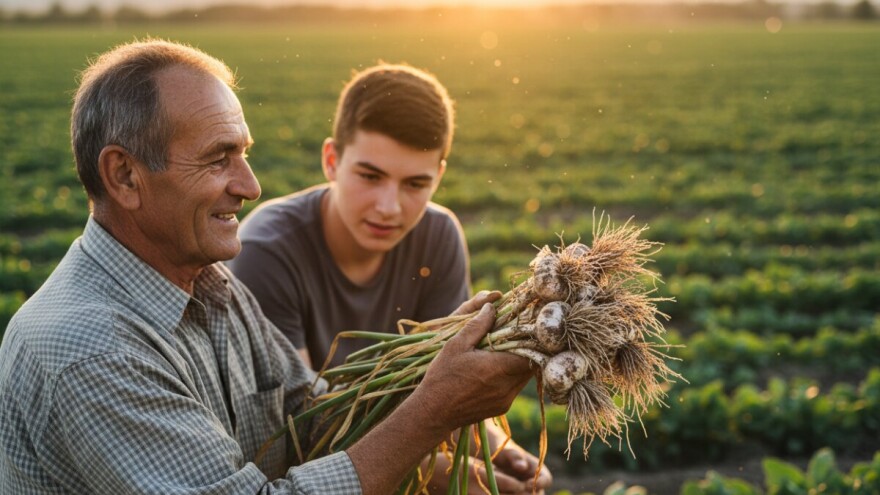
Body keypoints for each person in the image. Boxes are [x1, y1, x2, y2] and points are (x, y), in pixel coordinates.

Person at [0, 39, 536, 495]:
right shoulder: (94, 351)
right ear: (124, 176)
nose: (250, 186)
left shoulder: (209, 284)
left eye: (244, 154)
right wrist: (434, 412)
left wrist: (434, 381)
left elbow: (311, 418)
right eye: (218, 158)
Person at [228, 63, 552, 493]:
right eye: (370, 176)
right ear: (331, 160)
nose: (389, 207)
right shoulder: (267, 250)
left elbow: (445, 382)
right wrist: (437, 474)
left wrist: (494, 446)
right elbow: (302, 430)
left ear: (439, 176)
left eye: (415, 184)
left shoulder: (438, 234)